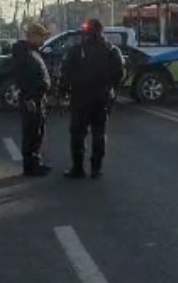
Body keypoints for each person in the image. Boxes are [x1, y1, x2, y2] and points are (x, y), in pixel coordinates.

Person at [60, 18, 125, 179]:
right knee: (99, 133)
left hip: (81, 98)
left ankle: (78, 168)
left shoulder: (77, 50)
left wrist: (63, 92)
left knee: (78, 133)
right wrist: (112, 90)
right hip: (102, 98)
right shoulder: (111, 50)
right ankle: (96, 169)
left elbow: (65, 73)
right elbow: (120, 74)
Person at [13, 23, 53, 176]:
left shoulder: (32, 52)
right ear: (32, 36)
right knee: (31, 133)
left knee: (37, 132)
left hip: (37, 97)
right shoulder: (24, 54)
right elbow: (22, 78)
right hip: (31, 99)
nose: (43, 40)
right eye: (41, 36)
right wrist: (28, 98)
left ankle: (35, 162)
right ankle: (30, 166)